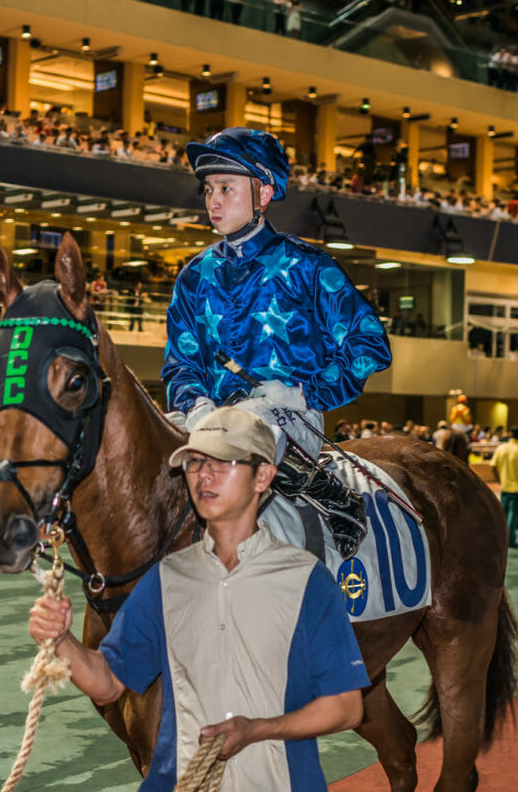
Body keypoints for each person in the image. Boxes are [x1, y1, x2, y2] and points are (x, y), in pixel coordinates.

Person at [25, 407, 367, 792]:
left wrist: (258, 729)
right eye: (194, 464)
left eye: (223, 463)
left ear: (264, 476)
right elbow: (110, 681)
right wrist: (62, 640)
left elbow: (346, 707)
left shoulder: (309, 582)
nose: (203, 477)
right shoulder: (167, 578)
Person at [163, 128, 391, 559]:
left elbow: (370, 344)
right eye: (209, 189)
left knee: (244, 426)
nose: (213, 200)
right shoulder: (193, 275)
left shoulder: (310, 266)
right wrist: (195, 404)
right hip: (207, 419)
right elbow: (180, 362)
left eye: (227, 188)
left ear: (263, 193)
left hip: (288, 416)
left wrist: (304, 391)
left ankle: (333, 498)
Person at [490, 424, 518, 549]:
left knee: (504, 514)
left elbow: (493, 466)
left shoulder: (501, 448)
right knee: (514, 514)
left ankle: (500, 538)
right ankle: (510, 539)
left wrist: (499, 479)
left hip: (505, 486)